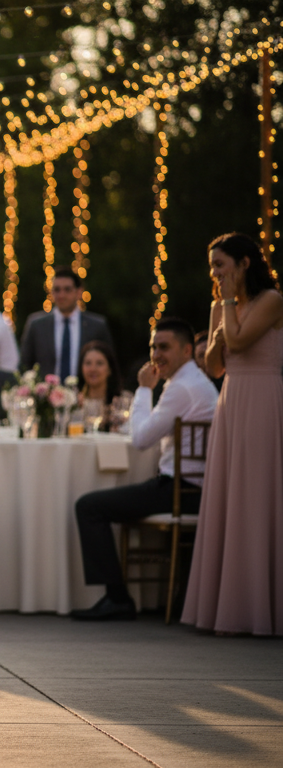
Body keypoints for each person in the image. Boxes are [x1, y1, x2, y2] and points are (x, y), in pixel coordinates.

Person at [70, 319, 218, 621]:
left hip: (179, 491)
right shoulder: (191, 383)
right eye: (153, 347)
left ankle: (117, 598)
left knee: (89, 506)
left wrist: (143, 389)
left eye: (164, 347)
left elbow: (139, 440)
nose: (156, 354)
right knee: (96, 505)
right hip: (193, 488)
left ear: (187, 350)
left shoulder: (182, 388)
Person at [182, 233, 283, 636]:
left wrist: (224, 311)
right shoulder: (219, 306)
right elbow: (213, 365)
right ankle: (226, 606)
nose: (216, 274)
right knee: (229, 494)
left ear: (244, 263)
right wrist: (220, 317)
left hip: (262, 398)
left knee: (258, 493)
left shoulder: (272, 300)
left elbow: (238, 340)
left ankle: (261, 605)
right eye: (212, 267)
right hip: (232, 397)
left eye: (221, 265)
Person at [18, 266, 114, 379]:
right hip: (46, 394)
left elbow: (109, 365)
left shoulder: (97, 326)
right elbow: (24, 366)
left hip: (85, 393)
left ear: (79, 292)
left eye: (67, 289)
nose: (61, 295)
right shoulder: (37, 325)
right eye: (57, 290)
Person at [76, 340, 123, 408]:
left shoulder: (123, 402)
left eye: (99, 363)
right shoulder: (71, 402)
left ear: (110, 369)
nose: (93, 369)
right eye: (88, 363)